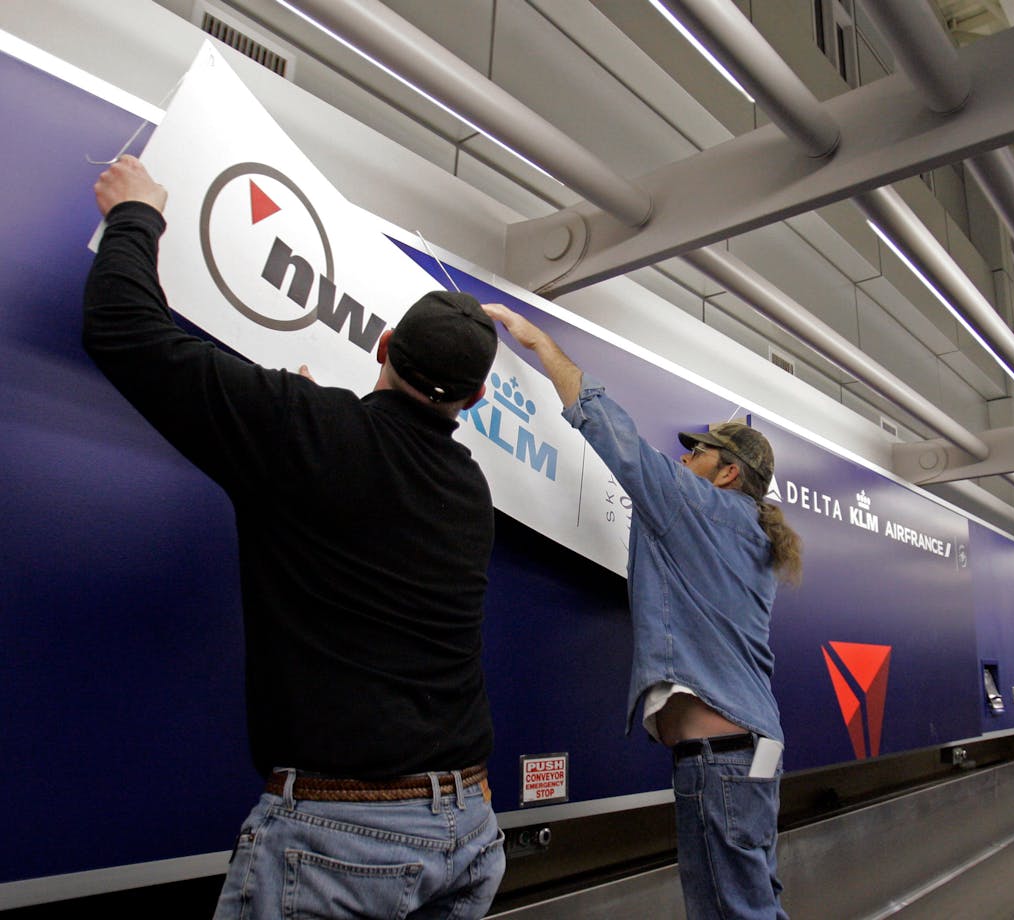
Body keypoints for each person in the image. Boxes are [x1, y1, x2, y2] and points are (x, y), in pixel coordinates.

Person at [84, 156, 506, 919]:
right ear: (476, 399)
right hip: (469, 828)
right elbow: (372, 494)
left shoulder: (305, 431)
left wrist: (135, 212)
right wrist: (308, 422)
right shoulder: (470, 491)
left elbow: (123, 328)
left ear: (381, 345)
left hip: (343, 842)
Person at [483, 303, 801, 920]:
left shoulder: (699, 509)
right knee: (754, 904)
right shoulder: (755, 537)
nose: (685, 459)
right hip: (752, 753)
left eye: (699, 453)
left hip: (722, 763)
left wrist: (542, 346)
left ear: (727, 472)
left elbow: (615, 436)